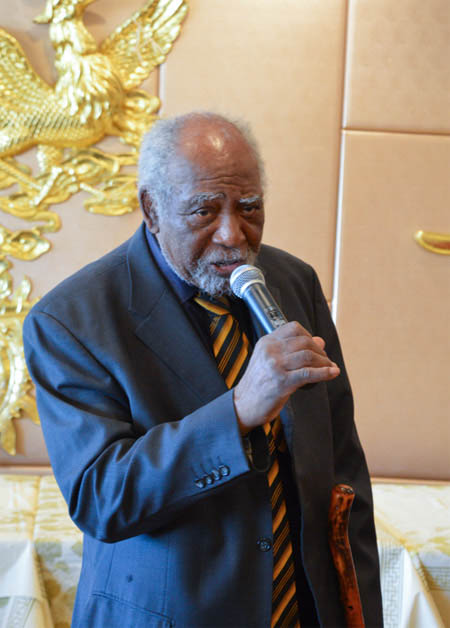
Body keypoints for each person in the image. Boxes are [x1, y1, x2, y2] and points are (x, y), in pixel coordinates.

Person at [23, 112, 383, 627]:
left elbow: (343, 470)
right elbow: (102, 500)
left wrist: (359, 614)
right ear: (152, 209)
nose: (233, 234)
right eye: (204, 211)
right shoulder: (71, 319)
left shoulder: (293, 280)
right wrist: (238, 411)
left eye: (250, 207)